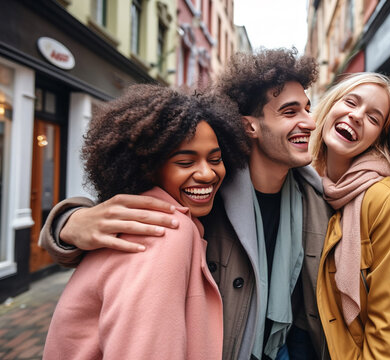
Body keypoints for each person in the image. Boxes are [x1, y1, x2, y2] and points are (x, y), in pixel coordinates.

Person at [40, 49, 333, 359]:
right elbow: (123, 213)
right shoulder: (196, 200)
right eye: (290, 112)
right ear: (249, 126)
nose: (310, 122)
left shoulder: (316, 197)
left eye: (307, 109)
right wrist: (69, 221)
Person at [43, 84, 251, 359]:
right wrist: (67, 222)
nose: (207, 174)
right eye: (185, 162)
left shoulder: (150, 215)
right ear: (149, 168)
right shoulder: (163, 230)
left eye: (215, 159)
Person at [310, 72, 390, 359]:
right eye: (351, 102)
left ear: (378, 138)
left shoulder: (388, 202)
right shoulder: (305, 184)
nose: (357, 116)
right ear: (331, 104)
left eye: (374, 118)